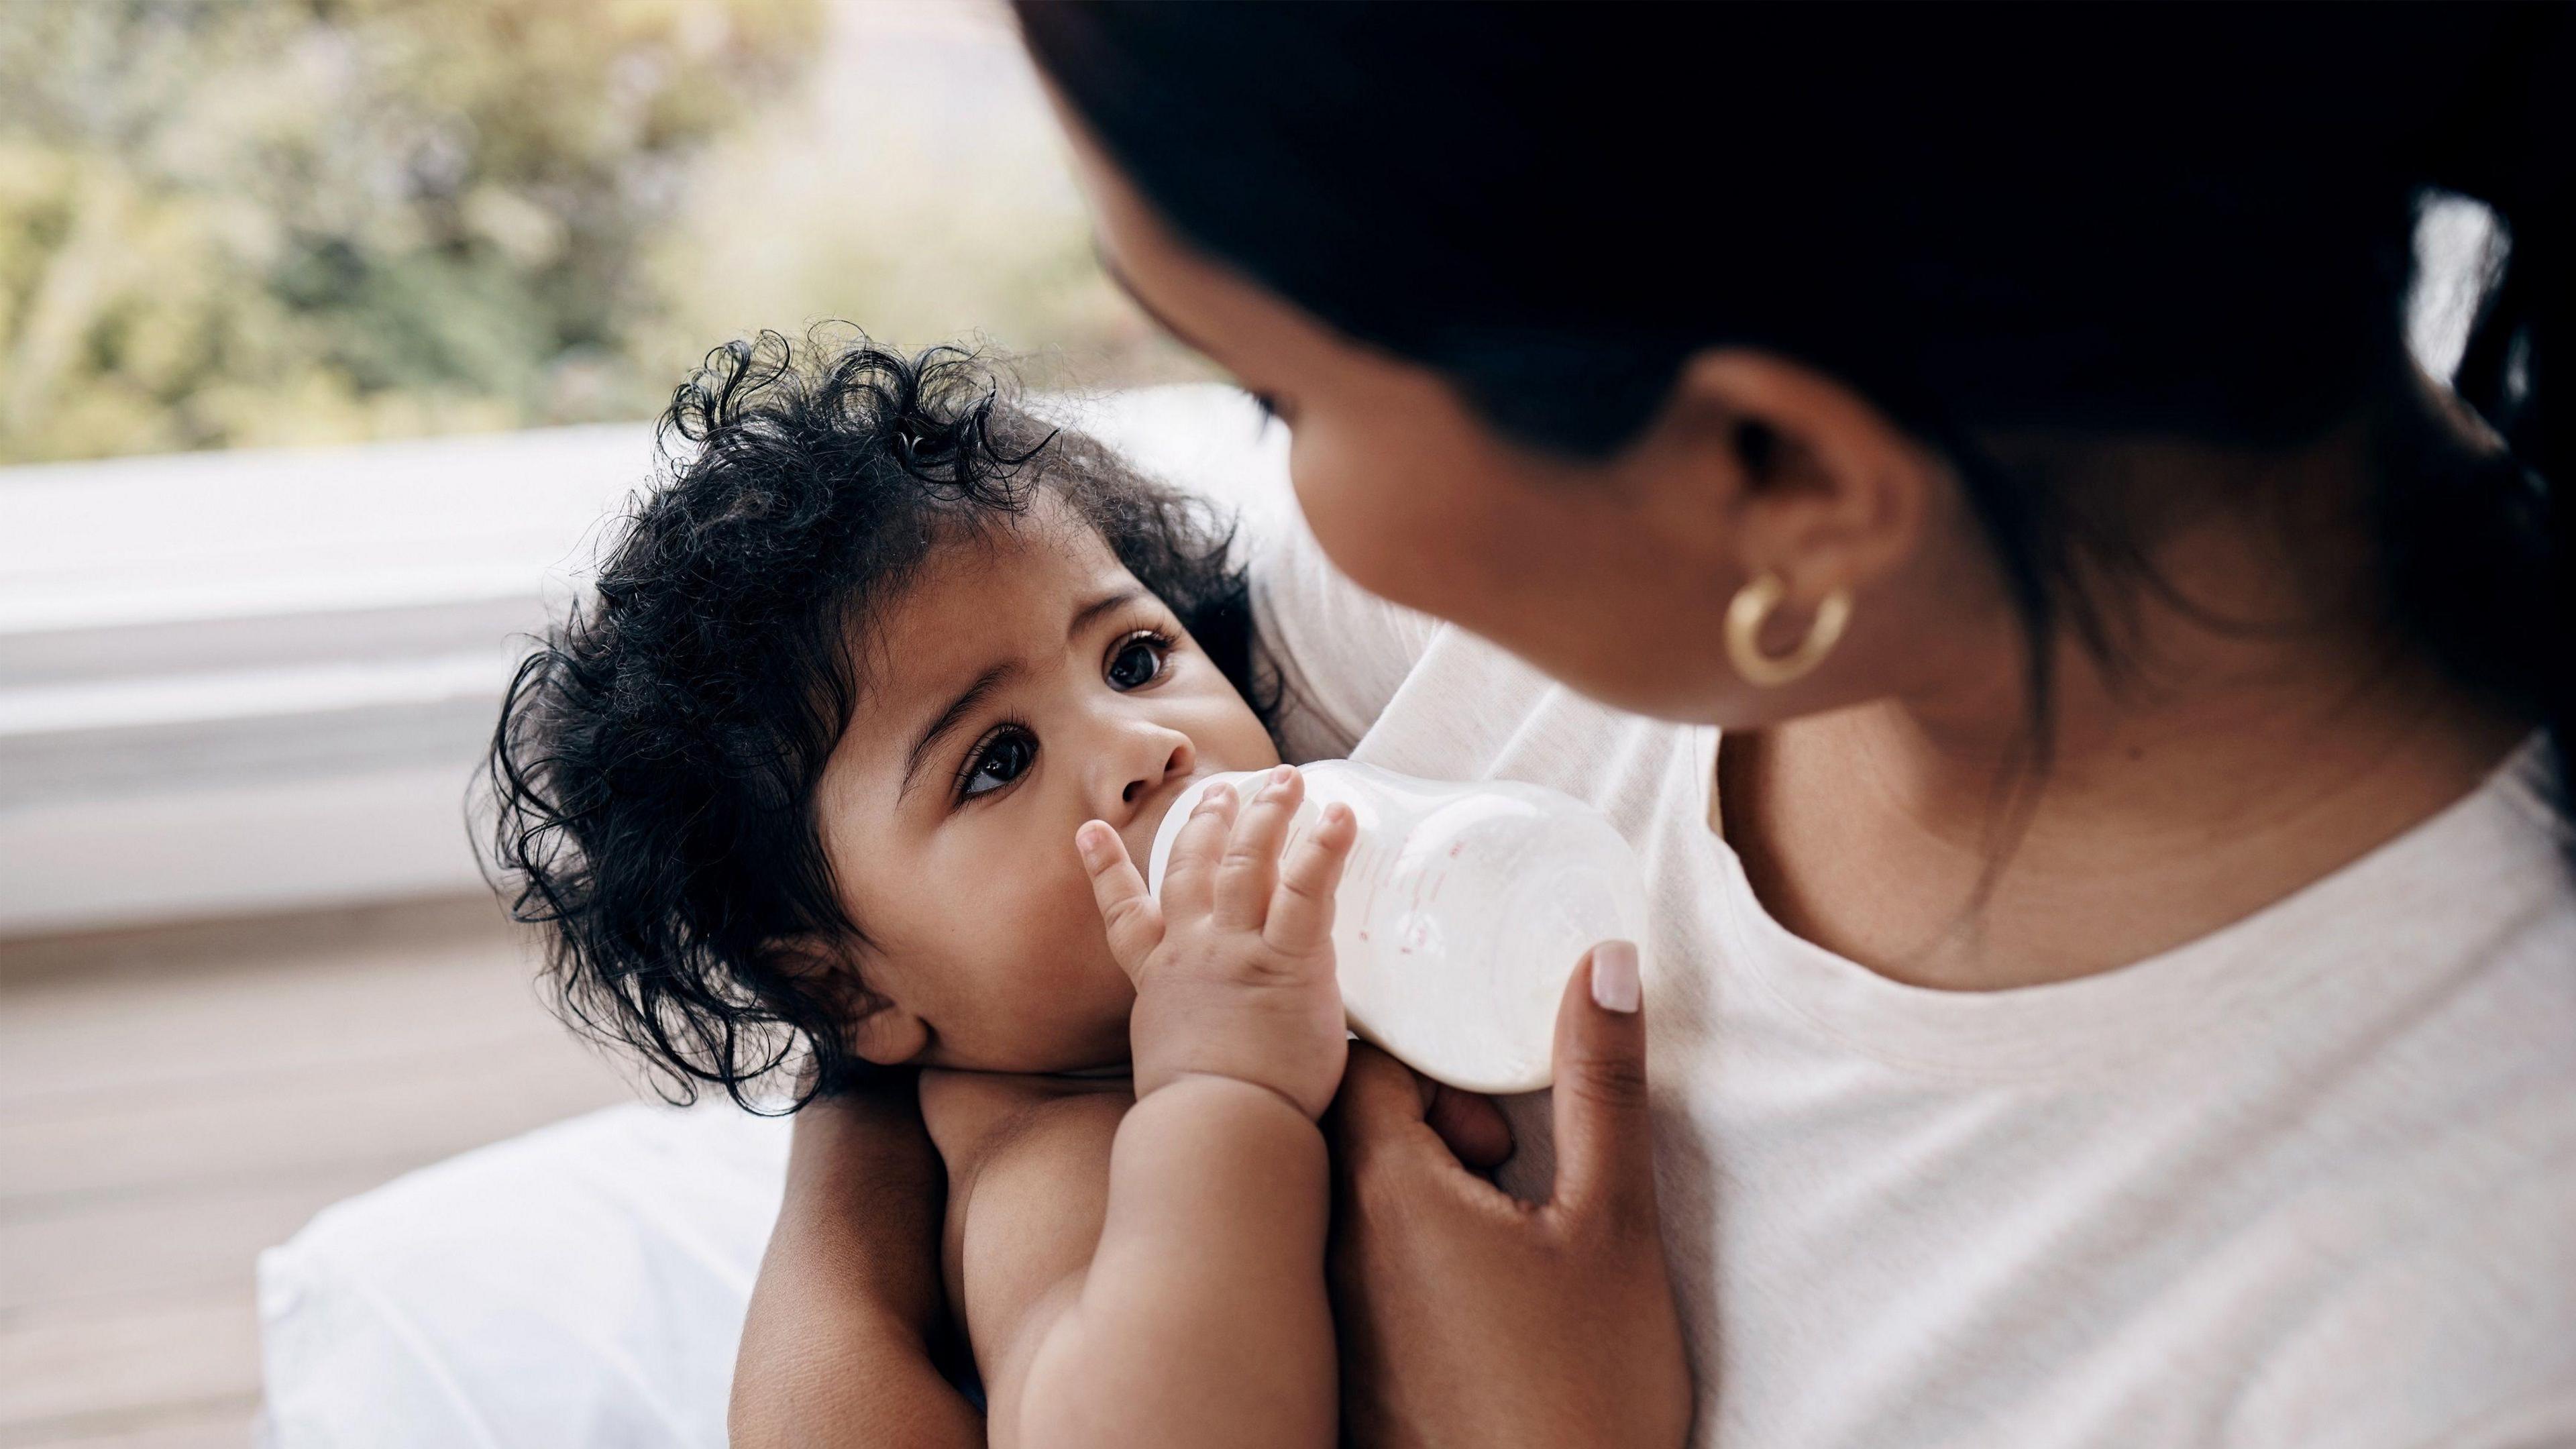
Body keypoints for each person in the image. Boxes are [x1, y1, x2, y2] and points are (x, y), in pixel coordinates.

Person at [739, 6, 2576, 1446]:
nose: (1246, 549)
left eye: (1282, 395)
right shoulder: (1526, 563)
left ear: (1778, 479)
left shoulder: (2462, 1343)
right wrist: (930, 1110)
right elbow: (950, 972)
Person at [486, 332, 1421, 1448]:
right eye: (998, 760)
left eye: (1132, 658)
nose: (1143, 746)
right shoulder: (1054, 1157)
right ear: (845, 991)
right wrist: (1223, 1094)